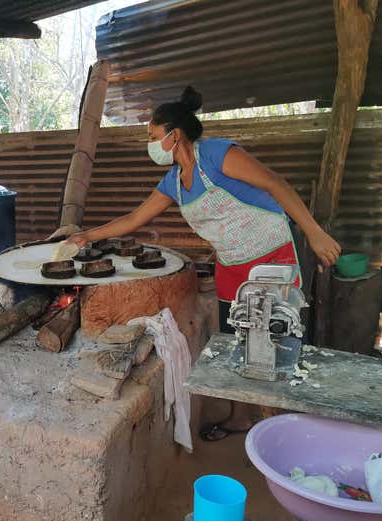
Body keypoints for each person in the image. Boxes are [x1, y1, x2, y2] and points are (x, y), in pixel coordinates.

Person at [67, 86, 341, 441]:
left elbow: (275, 183)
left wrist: (314, 233)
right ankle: (241, 417)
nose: (149, 144)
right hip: (231, 264)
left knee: (276, 341)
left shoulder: (216, 155)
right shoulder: (173, 183)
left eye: (152, 136)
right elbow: (134, 218)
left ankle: (285, 431)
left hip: (271, 255)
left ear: (174, 135)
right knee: (235, 341)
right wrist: (87, 236)